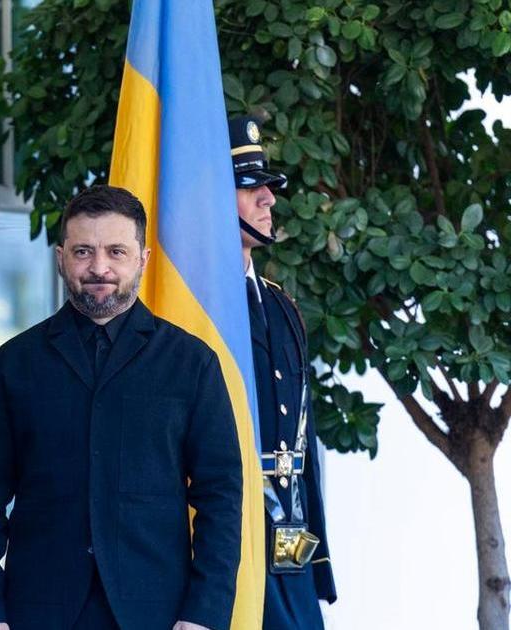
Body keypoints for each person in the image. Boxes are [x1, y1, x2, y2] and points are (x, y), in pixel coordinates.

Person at [0, 185, 243, 630]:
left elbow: (220, 496)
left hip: (159, 614)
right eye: (83, 251)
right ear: (61, 257)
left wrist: (204, 613)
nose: (99, 267)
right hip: (36, 612)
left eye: (116, 251)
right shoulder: (12, 365)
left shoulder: (192, 363)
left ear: (143, 259)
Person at [228, 115, 336, 630]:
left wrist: (317, 561)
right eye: (249, 186)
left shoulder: (281, 306)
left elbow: (301, 442)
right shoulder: (199, 313)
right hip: (227, 538)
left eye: (267, 186)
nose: (268, 198)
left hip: (289, 538)